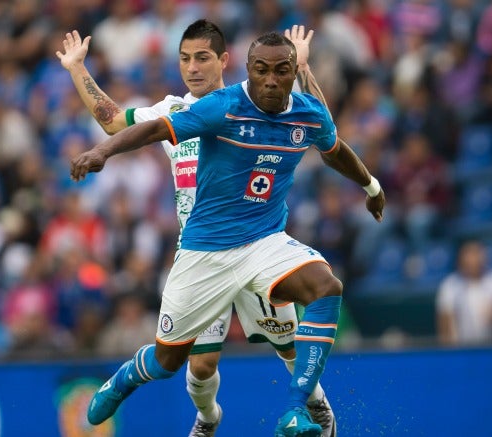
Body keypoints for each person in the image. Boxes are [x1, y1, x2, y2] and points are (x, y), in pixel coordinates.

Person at [69, 30, 385, 436]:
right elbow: (128, 125)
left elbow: (331, 141)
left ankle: (301, 408)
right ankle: (153, 390)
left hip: (264, 241)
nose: (193, 67)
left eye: (202, 58)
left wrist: (372, 186)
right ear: (249, 70)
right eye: (185, 59)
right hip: (204, 250)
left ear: (224, 61)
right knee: (174, 361)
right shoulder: (205, 108)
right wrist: (99, 147)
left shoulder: (300, 110)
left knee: (321, 294)